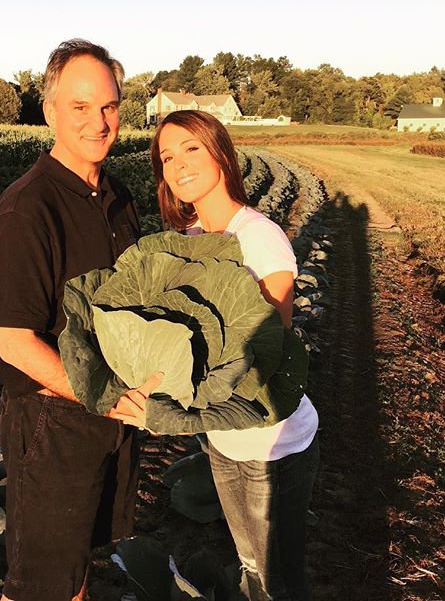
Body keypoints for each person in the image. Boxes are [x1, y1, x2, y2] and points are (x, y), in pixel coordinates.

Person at [113, 110, 320, 601]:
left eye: (191, 148)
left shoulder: (258, 237)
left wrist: (170, 409)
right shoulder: (188, 243)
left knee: (280, 579)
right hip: (225, 441)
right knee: (249, 565)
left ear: (221, 153)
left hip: (275, 445)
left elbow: (266, 351)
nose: (178, 164)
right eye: (166, 156)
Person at [0, 39, 161, 601]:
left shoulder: (114, 195)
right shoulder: (27, 209)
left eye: (108, 106)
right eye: (80, 107)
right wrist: (100, 394)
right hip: (52, 421)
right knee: (39, 584)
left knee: (75, 569)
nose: (98, 122)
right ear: (50, 110)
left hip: (107, 417)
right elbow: (15, 343)